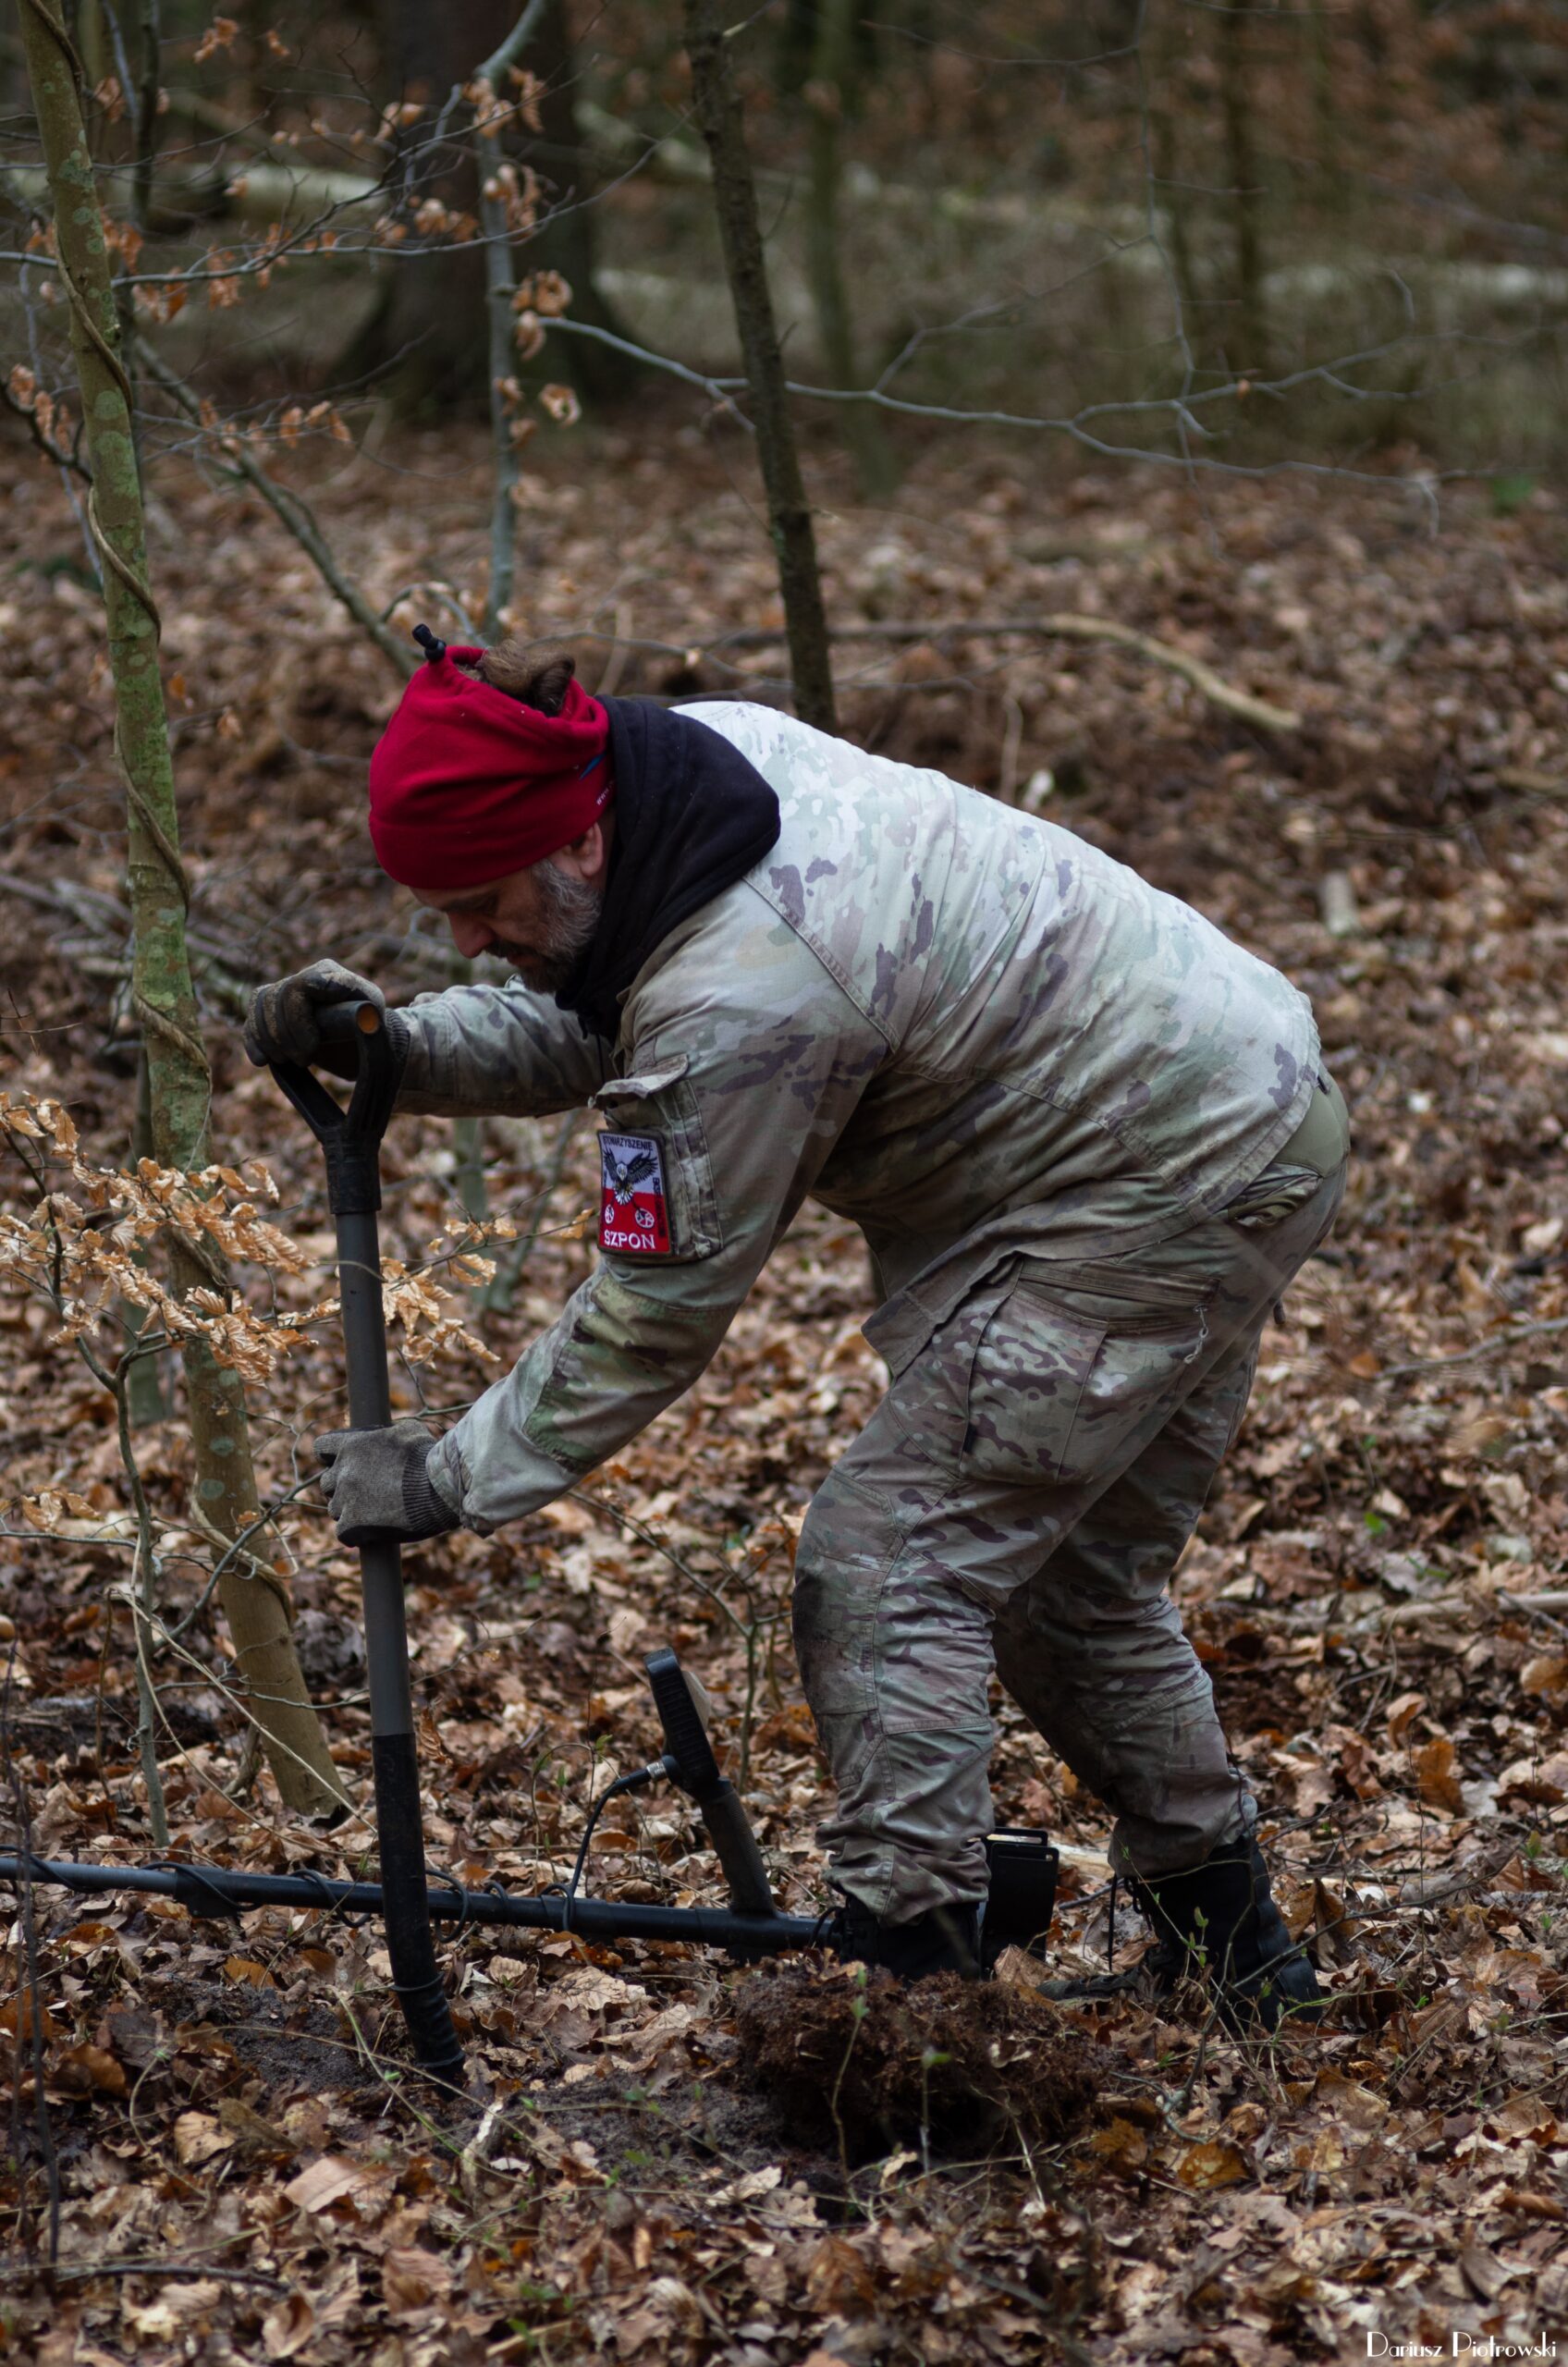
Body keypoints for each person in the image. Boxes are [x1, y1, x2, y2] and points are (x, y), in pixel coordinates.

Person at [247, 627, 1348, 2020]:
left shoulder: (754, 980)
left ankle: (919, 1998)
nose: (468, 938)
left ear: (580, 840)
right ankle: (1240, 1957)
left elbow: (654, 1311)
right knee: (1071, 1593)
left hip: (1158, 1179)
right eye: (444, 912)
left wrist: (443, 1479)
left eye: (482, 902)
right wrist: (401, 1047)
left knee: (888, 1563)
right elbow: (607, 1012)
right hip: (1243, 1111)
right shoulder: (684, 780)